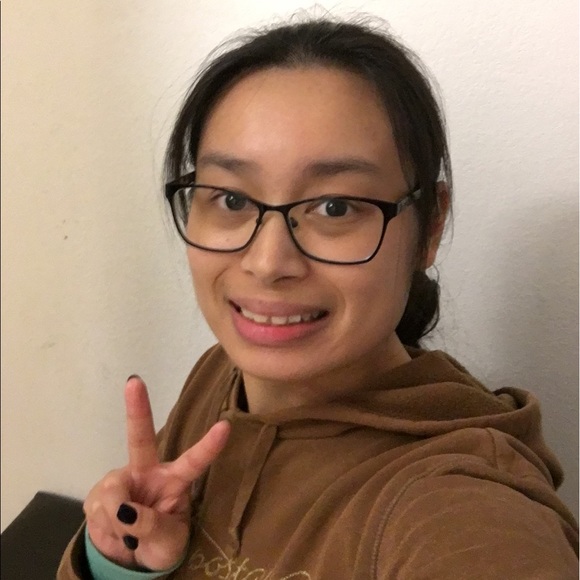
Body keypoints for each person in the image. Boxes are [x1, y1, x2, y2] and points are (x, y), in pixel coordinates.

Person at [57, 15, 578, 580]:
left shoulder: (464, 513)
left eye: (335, 206)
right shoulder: (219, 377)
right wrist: (123, 563)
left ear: (429, 227)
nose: (267, 263)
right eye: (231, 199)